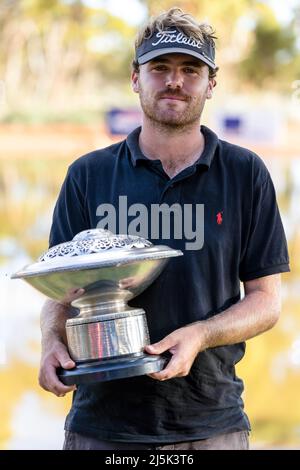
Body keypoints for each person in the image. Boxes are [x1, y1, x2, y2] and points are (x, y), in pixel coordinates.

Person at [39, 7, 290, 450]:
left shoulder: (244, 173)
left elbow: (266, 302)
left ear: (211, 84)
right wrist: (49, 343)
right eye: (160, 68)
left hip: (211, 423)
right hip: (101, 426)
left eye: (190, 70)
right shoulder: (88, 174)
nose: (175, 81)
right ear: (136, 78)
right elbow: (61, 292)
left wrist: (201, 334)